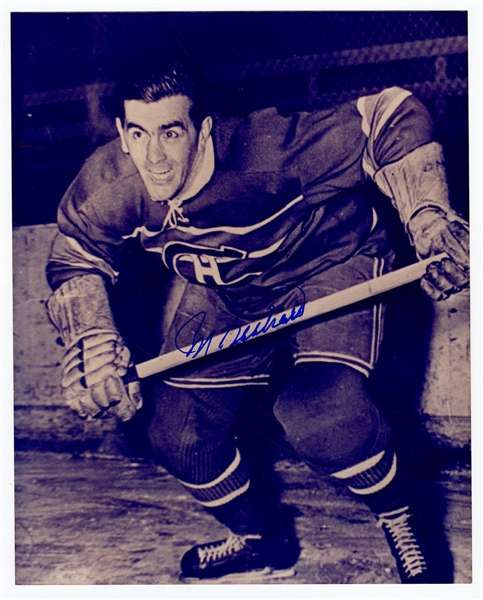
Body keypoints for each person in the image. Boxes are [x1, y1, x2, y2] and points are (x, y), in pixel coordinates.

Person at [46, 59, 469, 584]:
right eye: (139, 133)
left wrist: (427, 216)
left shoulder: (267, 148)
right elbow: (76, 253)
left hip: (330, 266)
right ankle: (259, 537)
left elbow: (390, 112)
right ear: (122, 134)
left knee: (320, 414)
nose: (154, 157)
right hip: (229, 291)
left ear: (203, 130)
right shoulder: (112, 179)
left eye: (171, 133)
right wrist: (91, 334)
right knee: (177, 434)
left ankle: (402, 518)